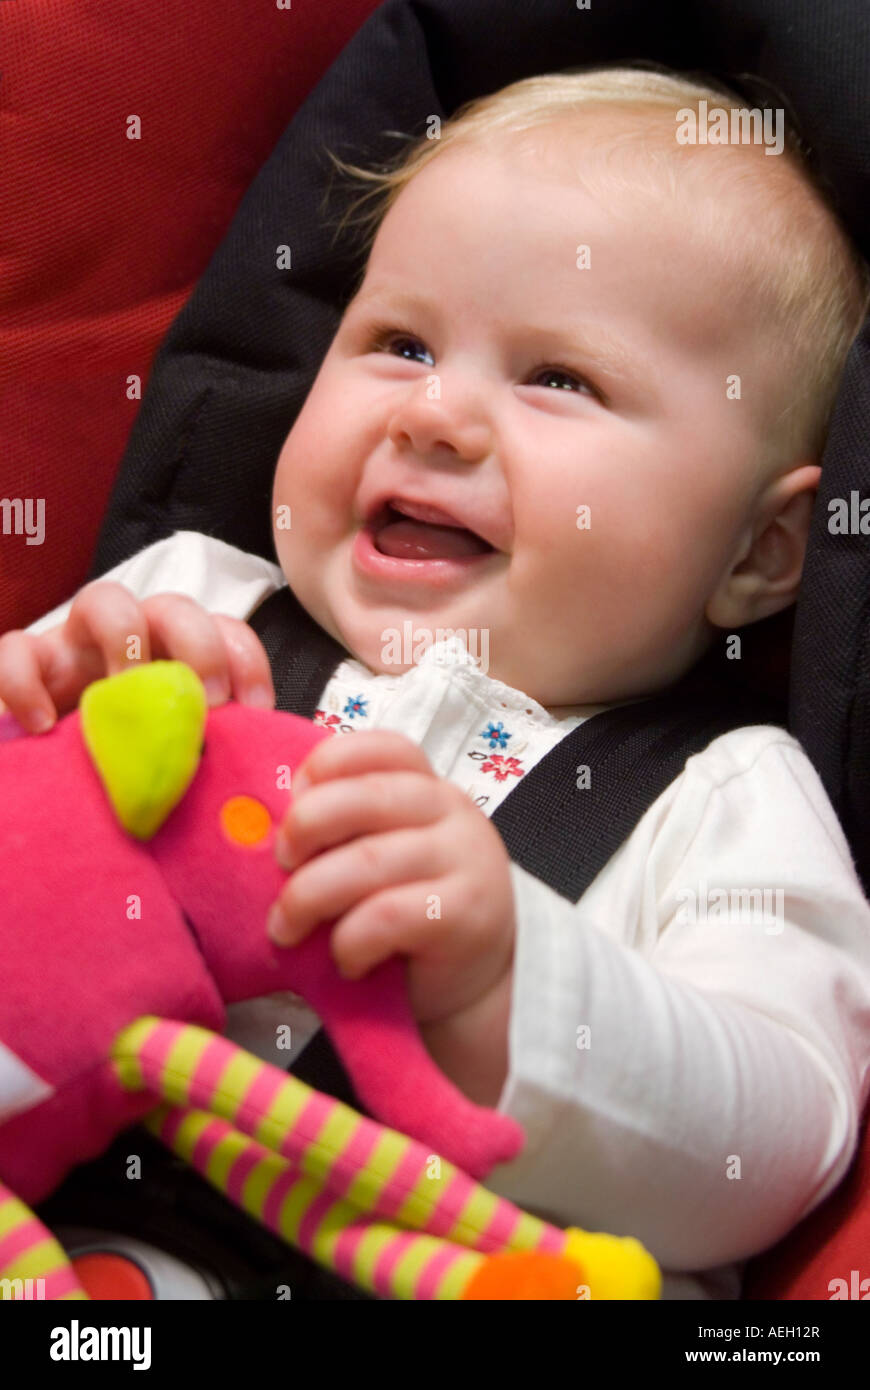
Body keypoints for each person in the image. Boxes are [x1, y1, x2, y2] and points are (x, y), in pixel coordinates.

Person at [3, 66, 870, 1299]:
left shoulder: (724, 798)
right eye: (399, 342)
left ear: (759, 551)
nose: (437, 412)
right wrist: (31, 721)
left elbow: (777, 1142)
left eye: (560, 378)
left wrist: (512, 975)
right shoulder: (186, 600)